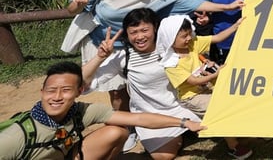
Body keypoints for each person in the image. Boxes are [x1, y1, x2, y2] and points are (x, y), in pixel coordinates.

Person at [62, 0, 244, 114]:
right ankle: (127, 127)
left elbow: (192, 2)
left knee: (147, 83)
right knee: (116, 91)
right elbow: (72, 9)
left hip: (137, 43)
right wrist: (78, 4)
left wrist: (227, 7)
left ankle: (156, 119)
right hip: (100, 41)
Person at [0, 59, 205, 160]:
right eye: (51, 91)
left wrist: (184, 122)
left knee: (117, 131)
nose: (56, 97)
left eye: (65, 90)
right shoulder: (16, 136)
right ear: (41, 91)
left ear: (79, 91)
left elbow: (139, 119)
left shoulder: (79, 111)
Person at [86, 9, 208, 160]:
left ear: (155, 28)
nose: (140, 37)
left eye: (144, 30)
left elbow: (200, 48)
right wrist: (99, 57)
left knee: (220, 124)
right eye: (133, 32)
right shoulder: (125, 57)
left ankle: (187, 128)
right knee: (163, 156)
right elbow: (84, 84)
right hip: (152, 114)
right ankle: (179, 133)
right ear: (127, 34)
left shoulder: (172, 45)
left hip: (186, 104)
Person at [157, 15, 250, 159]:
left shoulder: (192, 44)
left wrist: (235, 26)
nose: (188, 38)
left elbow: (217, 38)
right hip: (192, 96)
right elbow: (193, 81)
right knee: (219, 109)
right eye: (183, 36)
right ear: (170, 39)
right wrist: (215, 74)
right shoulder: (171, 64)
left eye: (189, 34)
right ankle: (234, 146)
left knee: (234, 97)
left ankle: (242, 131)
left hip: (207, 86)